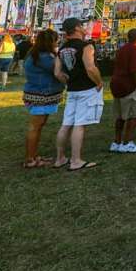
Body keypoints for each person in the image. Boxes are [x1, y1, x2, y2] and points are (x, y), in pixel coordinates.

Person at [55, 18, 105, 171]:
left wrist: (68, 80)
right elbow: (90, 67)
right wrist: (99, 82)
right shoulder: (86, 46)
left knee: (66, 124)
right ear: (77, 28)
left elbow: (57, 73)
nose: (84, 28)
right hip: (87, 89)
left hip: (72, 90)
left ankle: (60, 158)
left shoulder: (62, 49)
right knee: (79, 125)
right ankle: (76, 160)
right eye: (82, 26)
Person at [22, 29, 65, 168]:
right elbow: (59, 70)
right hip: (42, 95)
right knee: (35, 127)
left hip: (37, 93)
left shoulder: (34, 54)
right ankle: (30, 159)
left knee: (38, 127)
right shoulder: (45, 57)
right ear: (51, 42)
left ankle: (34, 156)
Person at [109, 28, 136, 154]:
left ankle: (117, 142)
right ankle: (127, 143)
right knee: (133, 115)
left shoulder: (121, 49)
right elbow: (134, 70)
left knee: (120, 116)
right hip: (130, 86)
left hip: (117, 85)